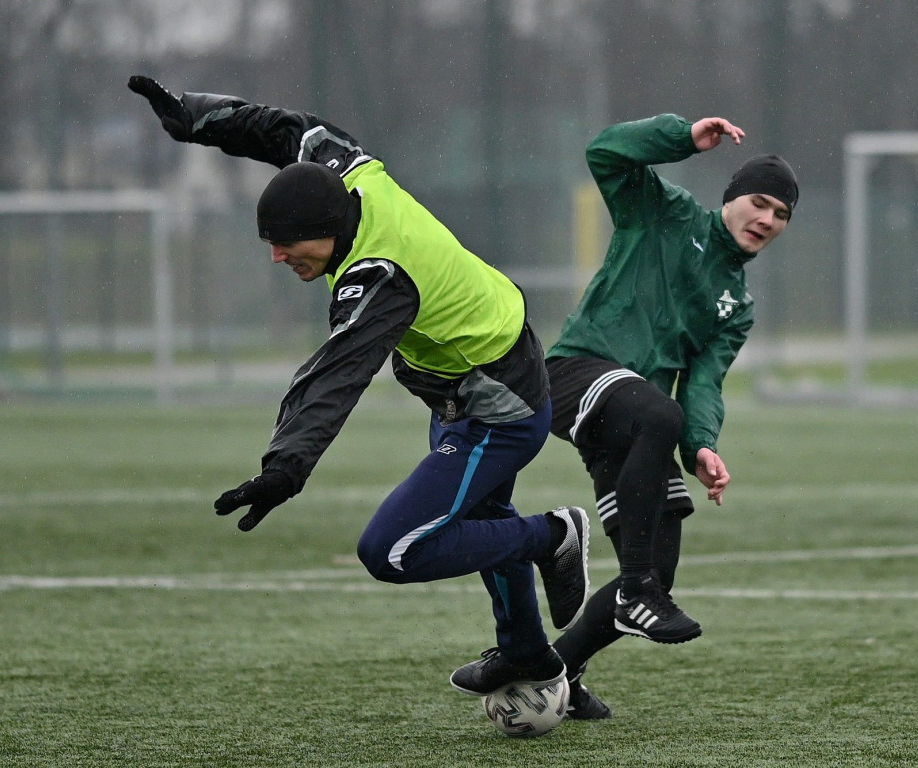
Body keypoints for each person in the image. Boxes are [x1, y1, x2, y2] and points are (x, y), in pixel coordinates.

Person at [127, 76, 591, 696]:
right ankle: (530, 657)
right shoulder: (344, 169)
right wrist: (195, 117)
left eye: (288, 245)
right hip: (471, 374)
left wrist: (285, 467)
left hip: (498, 402)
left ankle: (554, 533)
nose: (278, 257)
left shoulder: (379, 276)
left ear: (325, 226)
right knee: (482, 513)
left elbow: (335, 375)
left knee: (393, 549)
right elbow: (282, 129)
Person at [545, 113, 798, 719]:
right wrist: (680, 138)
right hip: (578, 373)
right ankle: (633, 591)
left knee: (663, 566)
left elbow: (705, 383)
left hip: (637, 419)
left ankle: (548, 670)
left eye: (781, 215)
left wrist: (703, 445)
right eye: (759, 203)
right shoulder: (667, 212)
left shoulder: (737, 304)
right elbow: (604, 151)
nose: (766, 219)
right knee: (659, 416)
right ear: (731, 200)